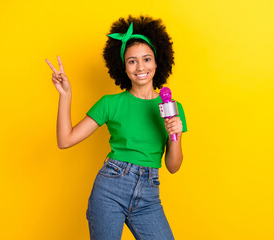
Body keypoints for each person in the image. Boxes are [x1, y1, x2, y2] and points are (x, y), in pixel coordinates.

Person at [45, 15, 187, 240]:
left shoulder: (172, 108)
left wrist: (175, 136)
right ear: (123, 66)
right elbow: (65, 140)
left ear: (158, 61)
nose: (140, 66)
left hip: (149, 194)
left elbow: (173, 166)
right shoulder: (110, 104)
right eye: (132, 61)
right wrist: (65, 95)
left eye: (147, 59)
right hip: (110, 189)